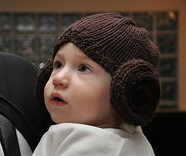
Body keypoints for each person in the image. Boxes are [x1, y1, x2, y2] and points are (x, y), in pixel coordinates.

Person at [33, 12, 161, 156]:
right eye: (58, 65)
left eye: (83, 68)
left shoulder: (90, 146)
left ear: (126, 90)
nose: (58, 78)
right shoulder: (132, 139)